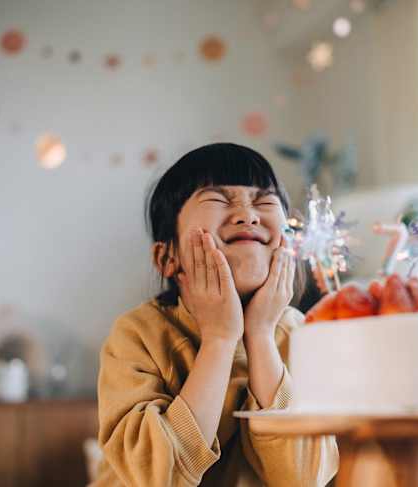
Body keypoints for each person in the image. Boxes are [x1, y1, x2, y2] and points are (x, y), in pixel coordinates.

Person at [93, 143, 339, 486]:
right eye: (217, 200)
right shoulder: (137, 334)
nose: (247, 214)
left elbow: (304, 478)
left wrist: (261, 336)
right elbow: (157, 477)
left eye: (264, 202)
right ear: (167, 258)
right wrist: (220, 340)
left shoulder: (304, 334)